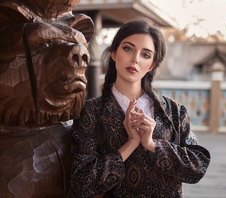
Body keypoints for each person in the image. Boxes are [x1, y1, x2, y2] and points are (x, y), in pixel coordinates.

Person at [70, 17, 211, 198]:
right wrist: (131, 144)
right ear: (114, 53)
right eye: (128, 49)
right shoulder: (91, 112)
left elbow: (197, 167)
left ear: (151, 65)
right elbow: (81, 181)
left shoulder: (174, 112)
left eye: (145, 54)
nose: (135, 59)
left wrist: (153, 145)